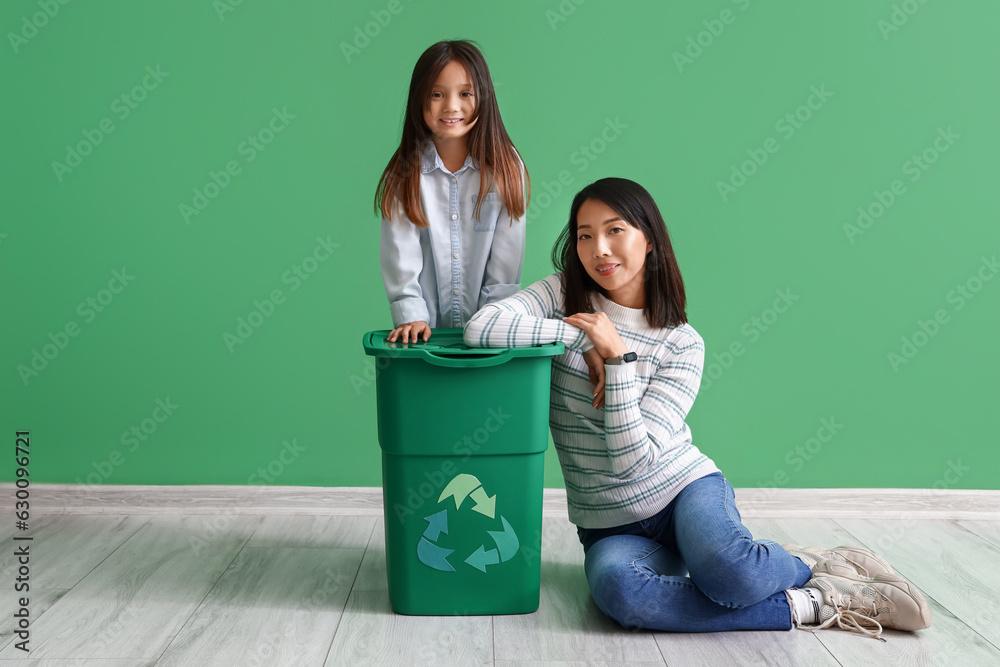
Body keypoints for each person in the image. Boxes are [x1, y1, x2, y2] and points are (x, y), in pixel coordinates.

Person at [464, 177, 931, 640]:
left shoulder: (683, 344)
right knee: (621, 593)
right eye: (585, 235)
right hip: (608, 523)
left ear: (649, 240)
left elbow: (634, 459)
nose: (599, 249)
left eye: (615, 230)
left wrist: (618, 359)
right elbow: (481, 328)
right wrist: (582, 334)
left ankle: (810, 562)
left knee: (732, 575)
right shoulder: (560, 296)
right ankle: (814, 601)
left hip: (684, 492)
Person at [375, 40, 529, 345]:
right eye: (436, 94)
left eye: (465, 94)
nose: (451, 106)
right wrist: (411, 315)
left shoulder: (507, 168)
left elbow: (506, 261)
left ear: (483, 96)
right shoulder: (404, 173)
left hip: (490, 331)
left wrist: (492, 322)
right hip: (424, 335)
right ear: (419, 99)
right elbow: (400, 253)